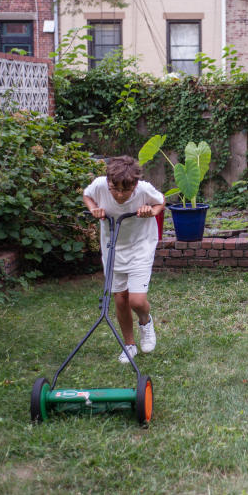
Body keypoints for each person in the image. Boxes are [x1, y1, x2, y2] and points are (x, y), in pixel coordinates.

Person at [83, 155, 165, 364]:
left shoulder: (144, 189)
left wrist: (150, 211)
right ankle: (129, 345)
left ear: (134, 185)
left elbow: (160, 202)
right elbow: (87, 195)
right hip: (113, 247)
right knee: (120, 299)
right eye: (114, 189)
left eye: (125, 190)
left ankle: (145, 323)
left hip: (141, 245)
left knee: (136, 300)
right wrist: (94, 209)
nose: (119, 195)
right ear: (108, 182)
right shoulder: (100, 185)